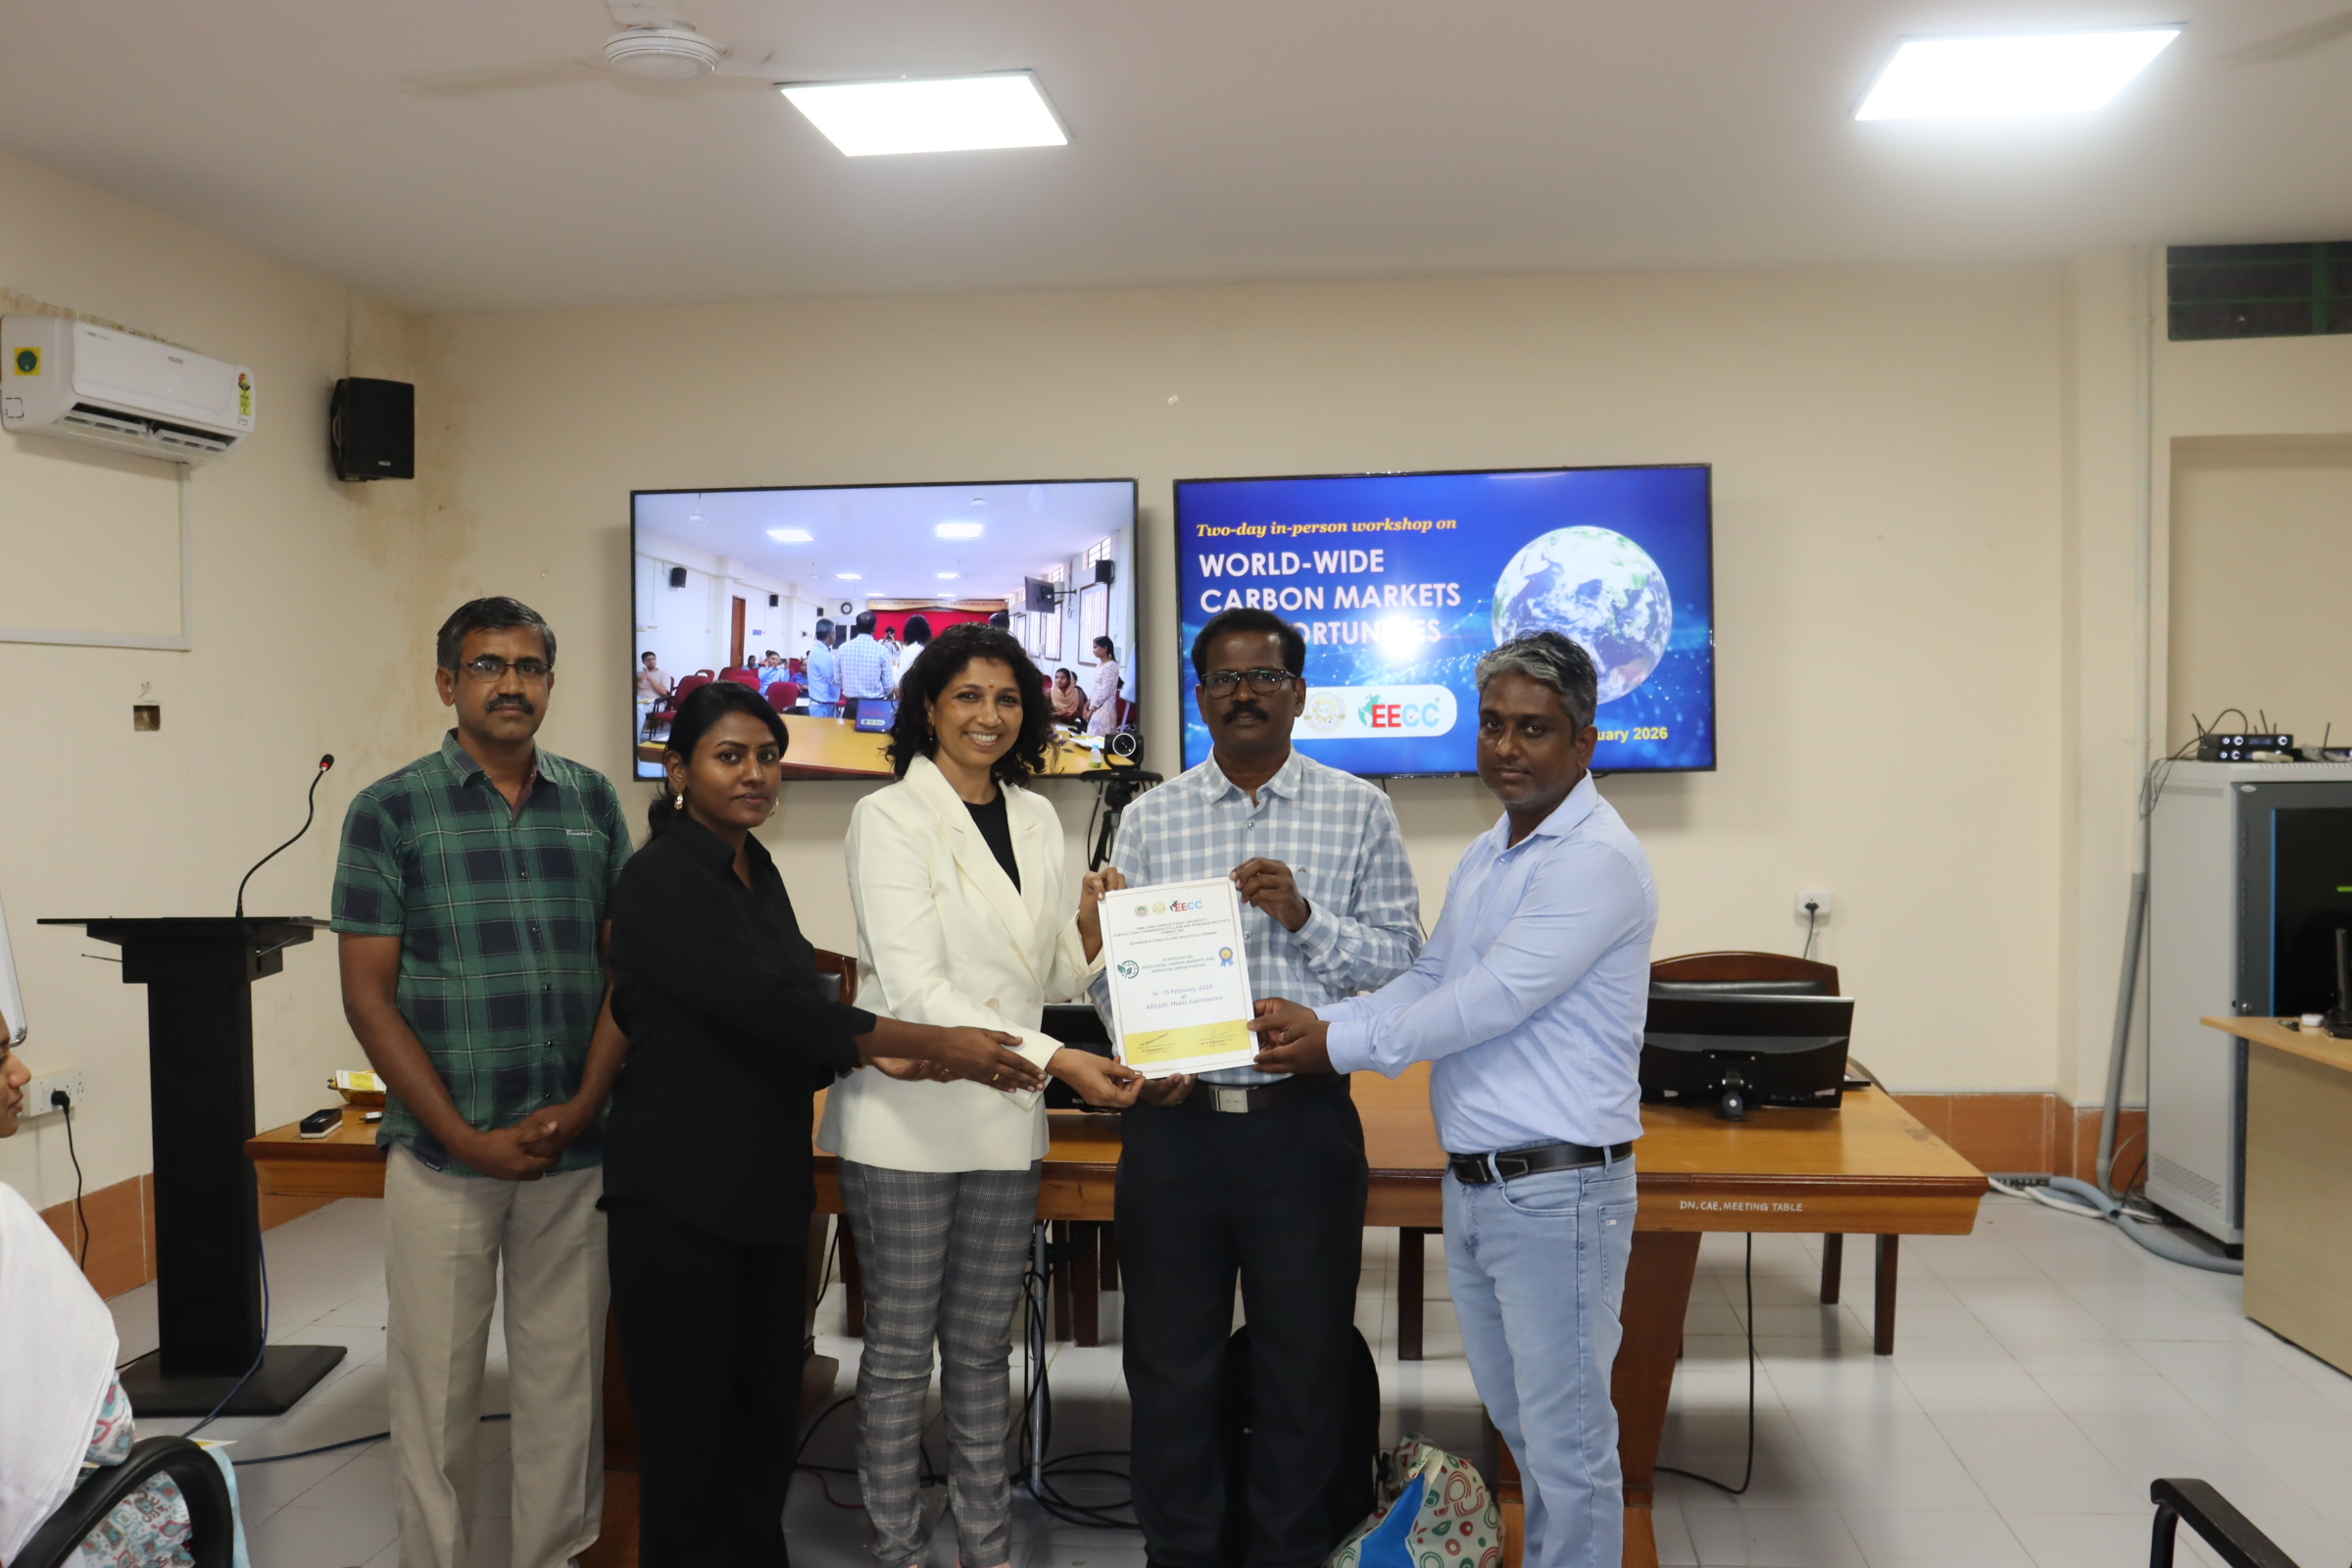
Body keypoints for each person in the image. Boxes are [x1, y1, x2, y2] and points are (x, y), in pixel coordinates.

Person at [603, 680, 1047, 1567]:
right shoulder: (658, 879)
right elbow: (762, 1004)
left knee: (762, 1418)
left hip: (764, 1183)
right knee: (691, 1434)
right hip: (680, 1193)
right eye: (730, 757)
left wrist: (864, 1052)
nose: (755, 774)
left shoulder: (752, 866)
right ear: (678, 769)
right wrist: (923, 1041)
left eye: (769, 757)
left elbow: (788, 1014)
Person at [1251, 632, 1655, 1568]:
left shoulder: (1595, 859)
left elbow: (1489, 1001)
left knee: (1569, 1446)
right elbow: (1434, 975)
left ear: (1584, 742)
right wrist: (1319, 1021)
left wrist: (1336, 1046)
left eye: (1534, 729)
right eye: (1493, 725)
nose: (1507, 747)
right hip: (1481, 1186)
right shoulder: (1490, 850)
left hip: (1557, 1191)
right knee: (1525, 1427)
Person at [1088, 606, 1422, 1568]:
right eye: (1226, 679)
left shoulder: (1359, 810)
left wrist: (1305, 915)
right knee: (1169, 1369)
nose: (1245, 693)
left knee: (1303, 1366)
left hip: (1301, 1128)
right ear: (1201, 698)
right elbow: (1117, 977)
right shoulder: (1151, 818)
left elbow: (1405, 963)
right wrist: (1134, 1038)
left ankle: (1288, 1551)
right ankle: (1181, 1553)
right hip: (1177, 1133)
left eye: (1265, 677)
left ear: (1299, 693)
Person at [825, 623, 1143, 1568]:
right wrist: (1062, 1061)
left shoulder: (1036, 816)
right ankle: (896, 1547)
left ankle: (987, 1543)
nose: (989, 716)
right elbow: (917, 991)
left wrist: (1092, 931)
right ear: (929, 707)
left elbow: (1045, 970)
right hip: (908, 1118)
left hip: (1005, 1118)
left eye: (1007, 699)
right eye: (968, 695)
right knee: (898, 1352)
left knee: (978, 1349)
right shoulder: (888, 816)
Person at [334, 597, 630, 1568]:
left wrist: (582, 1106)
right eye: (488, 665)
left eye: (529, 666)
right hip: (443, 1157)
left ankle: (552, 1556)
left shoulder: (592, 802)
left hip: (571, 1151)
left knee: (564, 1385)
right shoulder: (389, 810)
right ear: (446, 683)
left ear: (550, 682)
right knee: (436, 1391)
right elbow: (369, 997)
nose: (511, 683)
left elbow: (625, 975)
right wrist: (462, 1136)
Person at [0, 1024, 256, 1568]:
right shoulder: (6, 1226)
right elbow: (107, 1437)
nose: (20, 1073)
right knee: (198, 1472)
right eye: (0, 1057)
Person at [837, 612, 894, 717]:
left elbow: (837, 679)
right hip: (874, 706)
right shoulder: (882, 651)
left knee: (848, 729)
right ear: (875, 627)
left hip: (851, 706)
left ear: (857, 626)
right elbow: (889, 685)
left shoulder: (842, 648)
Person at [1085, 635, 1122, 735]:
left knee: (1100, 736)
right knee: (1091, 734)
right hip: (1095, 705)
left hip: (1104, 706)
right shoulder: (1100, 664)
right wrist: (1087, 705)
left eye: (1095, 647)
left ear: (1105, 648)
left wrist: (1091, 710)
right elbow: (1096, 687)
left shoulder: (1111, 666)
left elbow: (1105, 691)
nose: (1093, 650)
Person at [806, 619, 843, 718]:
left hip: (822, 705)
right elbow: (834, 679)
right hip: (823, 707)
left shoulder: (819, 650)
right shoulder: (822, 654)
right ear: (831, 634)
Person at [636, 651, 673, 738]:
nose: (651, 661)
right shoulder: (639, 674)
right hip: (639, 700)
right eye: (648, 660)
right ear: (643, 662)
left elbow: (664, 692)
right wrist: (635, 682)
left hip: (656, 702)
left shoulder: (664, 673)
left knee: (637, 709)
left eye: (653, 659)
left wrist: (649, 678)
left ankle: (636, 739)